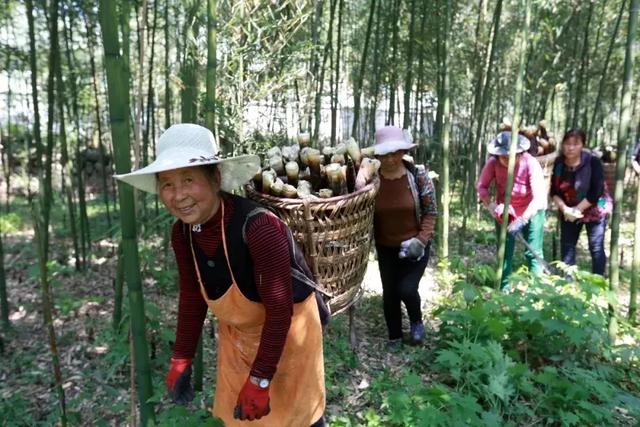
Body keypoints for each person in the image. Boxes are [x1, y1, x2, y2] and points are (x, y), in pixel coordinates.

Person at [115, 124, 326, 426]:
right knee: (237, 418)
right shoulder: (183, 233)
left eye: (188, 180)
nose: (179, 196)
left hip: (290, 330)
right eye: (167, 184)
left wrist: (261, 379)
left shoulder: (260, 229)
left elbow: (280, 311)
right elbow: (192, 295)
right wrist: (181, 357)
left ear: (215, 179)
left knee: (297, 417)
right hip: (239, 336)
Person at [372, 126, 438, 348]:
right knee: (390, 292)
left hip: (415, 245)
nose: (390, 158)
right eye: (384, 154)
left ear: (403, 151)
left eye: (395, 152)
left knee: (407, 289)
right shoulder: (372, 180)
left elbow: (430, 212)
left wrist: (421, 240)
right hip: (385, 246)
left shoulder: (418, 176)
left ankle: (417, 323)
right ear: (377, 155)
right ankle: (394, 336)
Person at [476, 131, 547, 289]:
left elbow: (538, 198)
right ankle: (503, 288)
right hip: (506, 211)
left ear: (521, 153)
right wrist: (492, 206)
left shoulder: (530, 163)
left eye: (512, 156)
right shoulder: (493, 163)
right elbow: (481, 187)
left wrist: (523, 219)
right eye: (504, 157)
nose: (507, 160)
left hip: (532, 210)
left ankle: (535, 292)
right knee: (504, 251)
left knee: (533, 252)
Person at [550, 128, 612, 276]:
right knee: (567, 246)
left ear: (582, 145)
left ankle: (597, 282)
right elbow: (553, 191)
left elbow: (595, 192)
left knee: (596, 247)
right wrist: (565, 209)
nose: (570, 148)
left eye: (575, 144)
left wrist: (577, 210)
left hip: (595, 208)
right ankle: (568, 283)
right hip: (569, 209)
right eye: (567, 143)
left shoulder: (593, 162)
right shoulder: (559, 163)